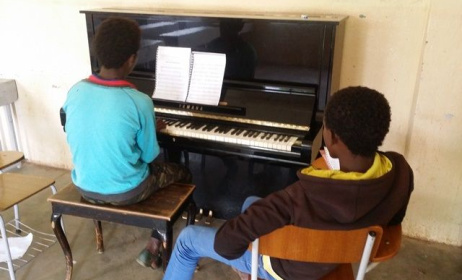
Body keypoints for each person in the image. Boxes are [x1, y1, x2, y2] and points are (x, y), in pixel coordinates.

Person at [163, 86, 414, 280]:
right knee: (251, 203)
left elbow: (226, 245)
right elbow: (393, 222)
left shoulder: (298, 197)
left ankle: (255, 270)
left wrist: (240, 249)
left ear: (332, 137)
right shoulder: (400, 171)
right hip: (341, 255)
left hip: (286, 269)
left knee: (187, 239)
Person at [61, 17, 191, 270]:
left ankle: (156, 241)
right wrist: (148, 130)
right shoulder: (139, 100)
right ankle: (156, 244)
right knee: (183, 172)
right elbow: (150, 156)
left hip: (85, 186)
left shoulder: (75, 91)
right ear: (132, 59)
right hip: (127, 193)